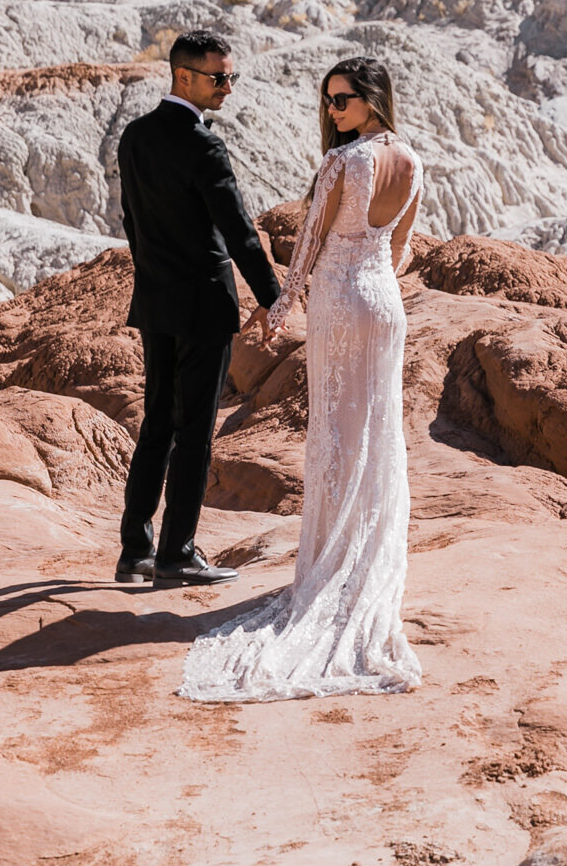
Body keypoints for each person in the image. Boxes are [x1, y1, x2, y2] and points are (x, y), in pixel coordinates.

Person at [180, 55, 423, 702]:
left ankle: (328, 567)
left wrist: (278, 309)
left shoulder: (345, 163)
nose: (333, 112)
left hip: (342, 305)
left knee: (337, 433)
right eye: (328, 102)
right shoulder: (411, 161)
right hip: (386, 305)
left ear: (373, 99)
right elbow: (400, 251)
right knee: (378, 432)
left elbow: (311, 242)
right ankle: (363, 564)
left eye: (342, 100)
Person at [114, 31, 280, 587]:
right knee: (195, 433)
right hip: (206, 305)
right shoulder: (203, 144)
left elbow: (132, 223)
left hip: (156, 301)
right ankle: (177, 552)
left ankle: (135, 548)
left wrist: (152, 275)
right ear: (183, 76)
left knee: (157, 423)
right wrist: (275, 297)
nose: (228, 88)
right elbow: (238, 231)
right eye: (219, 78)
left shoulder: (134, 136)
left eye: (232, 76)